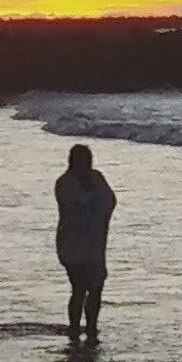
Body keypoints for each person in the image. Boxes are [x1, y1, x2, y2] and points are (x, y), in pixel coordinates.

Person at [55, 141, 117, 344]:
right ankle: (74, 328)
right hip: (73, 243)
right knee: (80, 287)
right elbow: (75, 205)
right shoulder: (65, 182)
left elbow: (110, 199)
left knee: (97, 287)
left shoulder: (97, 177)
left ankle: (91, 326)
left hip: (95, 243)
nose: (86, 164)